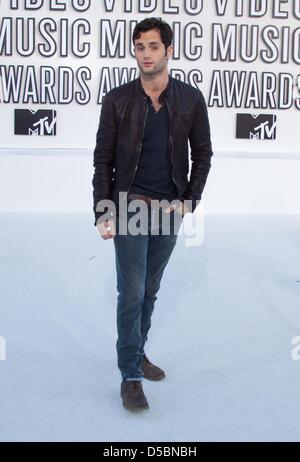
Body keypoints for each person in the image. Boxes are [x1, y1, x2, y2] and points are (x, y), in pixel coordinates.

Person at [92, 17, 213, 412]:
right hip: (128, 208)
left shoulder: (191, 100)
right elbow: (103, 160)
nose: (146, 54)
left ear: (169, 50)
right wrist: (102, 209)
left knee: (150, 290)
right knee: (130, 292)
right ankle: (129, 373)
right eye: (140, 47)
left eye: (153, 47)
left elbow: (203, 154)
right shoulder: (117, 99)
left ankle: (138, 350)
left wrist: (190, 200)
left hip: (169, 211)